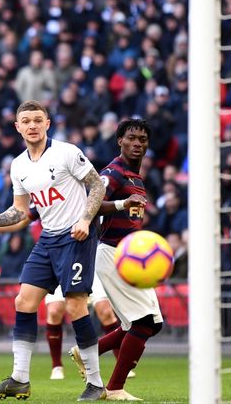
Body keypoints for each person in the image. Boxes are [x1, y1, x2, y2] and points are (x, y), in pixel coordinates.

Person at [0, 100, 107, 401]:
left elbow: (97, 185)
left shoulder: (66, 152)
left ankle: (96, 384)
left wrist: (86, 220)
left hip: (77, 238)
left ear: (48, 123)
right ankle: (20, 379)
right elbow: (21, 212)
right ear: (18, 127)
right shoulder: (18, 165)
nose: (33, 125)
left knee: (75, 307)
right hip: (48, 239)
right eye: (27, 121)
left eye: (38, 120)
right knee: (24, 301)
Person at [69, 118, 163, 401]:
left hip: (130, 256)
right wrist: (121, 204)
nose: (137, 143)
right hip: (111, 252)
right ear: (119, 141)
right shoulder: (114, 172)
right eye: (131, 138)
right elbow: (93, 202)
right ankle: (115, 388)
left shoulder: (136, 178)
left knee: (150, 323)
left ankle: (87, 352)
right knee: (143, 322)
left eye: (142, 140)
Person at [0, 210, 133, 381]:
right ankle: (53, 367)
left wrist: (118, 206)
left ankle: (109, 369)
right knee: (52, 310)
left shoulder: (84, 191)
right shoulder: (40, 197)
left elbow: (101, 203)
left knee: (103, 311)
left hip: (87, 254)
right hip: (54, 255)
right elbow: (24, 214)